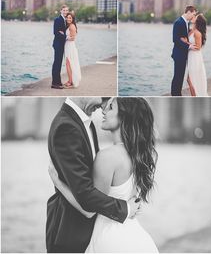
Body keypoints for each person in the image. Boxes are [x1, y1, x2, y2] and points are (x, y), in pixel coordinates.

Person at [49, 97, 159, 253]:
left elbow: (89, 210)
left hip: (110, 239)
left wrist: (59, 183)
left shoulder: (107, 157)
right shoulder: (137, 155)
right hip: (134, 235)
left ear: (123, 116)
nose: (104, 109)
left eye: (111, 107)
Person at [171, 5, 198, 96]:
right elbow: (175, 39)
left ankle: (177, 94)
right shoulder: (178, 22)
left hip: (183, 54)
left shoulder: (186, 22)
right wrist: (189, 47)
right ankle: (175, 95)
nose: (193, 16)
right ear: (189, 12)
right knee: (177, 76)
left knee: (180, 76)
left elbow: (184, 37)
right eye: (193, 14)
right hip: (179, 54)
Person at [181, 13, 208, 96]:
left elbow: (198, 47)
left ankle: (195, 97)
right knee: (191, 79)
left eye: (196, 16)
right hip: (191, 56)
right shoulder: (192, 30)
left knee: (190, 79)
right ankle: (195, 96)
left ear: (197, 21)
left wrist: (187, 43)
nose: (194, 17)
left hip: (195, 57)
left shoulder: (197, 33)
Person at [51, 5, 68, 89]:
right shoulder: (57, 20)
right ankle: (54, 83)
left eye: (66, 11)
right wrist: (65, 36)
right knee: (57, 63)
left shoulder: (65, 20)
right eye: (64, 10)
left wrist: (63, 33)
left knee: (59, 63)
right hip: (57, 44)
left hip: (61, 45)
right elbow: (56, 32)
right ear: (61, 11)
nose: (65, 12)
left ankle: (58, 81)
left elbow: (62, 32)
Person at [63, 12, 81, 88]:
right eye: (67, 17)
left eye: (70, 18)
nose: (68, 19)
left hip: (70, 46)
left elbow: (73, 38)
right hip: (67, 46)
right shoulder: (68, 26)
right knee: (68, 64)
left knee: (69, 64)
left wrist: (64, 37)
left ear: (73, 19)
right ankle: (70, 80)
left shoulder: (72, 26)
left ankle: (70, 81)